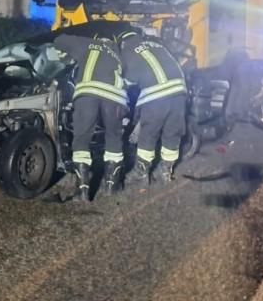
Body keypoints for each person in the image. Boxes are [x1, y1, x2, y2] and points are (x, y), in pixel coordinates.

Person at [52, 33, 129, 201]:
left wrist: (66, 55)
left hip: (88, 93)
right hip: (115, 97)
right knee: (113, 137)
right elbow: (128, 79)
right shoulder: (118, 54)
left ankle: (82, 190)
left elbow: (59, 40)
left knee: (81, 139)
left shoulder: (85, 42)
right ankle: (111, 186)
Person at [116, 26, 188, 185]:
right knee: (172, 135)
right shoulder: (158, 46)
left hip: (156, 98)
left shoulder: (127, 51)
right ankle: (165, 173)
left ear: (122, 43)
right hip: (179, 94)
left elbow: (129, 81)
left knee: (148, 136)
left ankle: (141, 174)